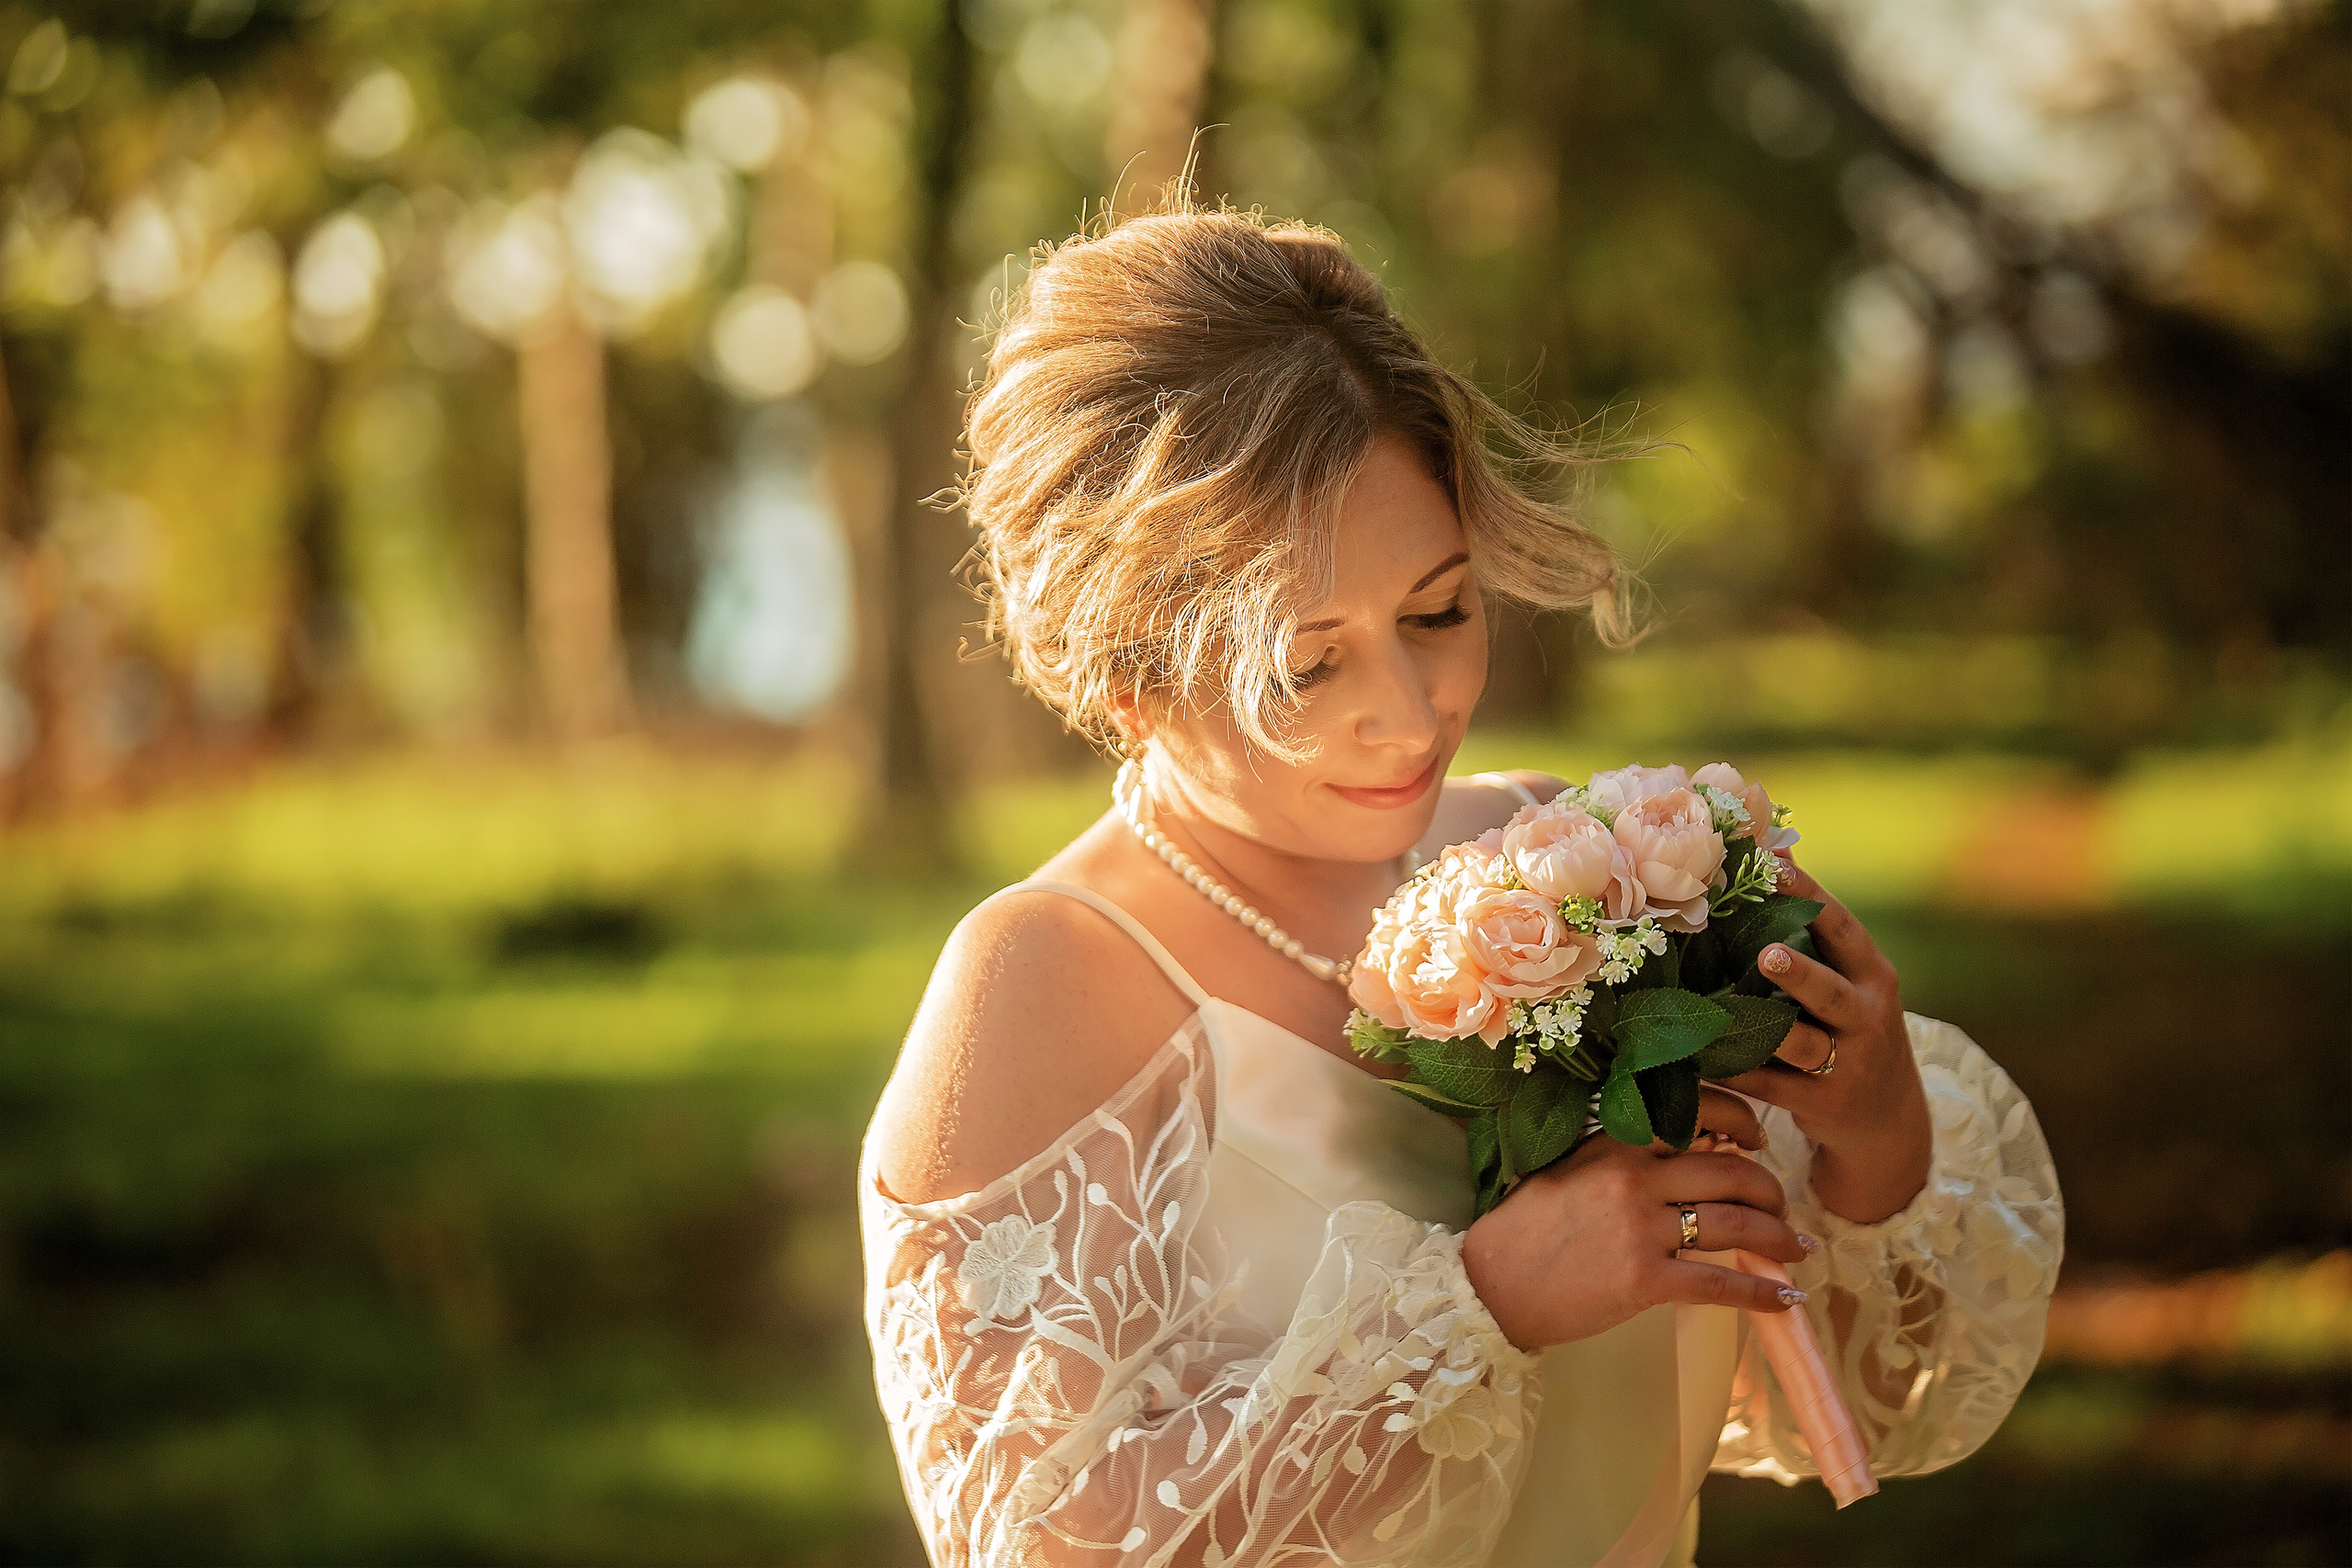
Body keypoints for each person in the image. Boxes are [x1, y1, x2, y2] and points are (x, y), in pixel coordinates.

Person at [858, 198, 2063, 1566]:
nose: (1413, 709)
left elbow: (1879, 1403)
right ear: (1127, 679)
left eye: (1438, 611)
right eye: (1305, 664)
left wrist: (1872, 1124)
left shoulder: (1573, 871)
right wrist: (1479, 1304)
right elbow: (1035, 1545)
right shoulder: (1044, 979)